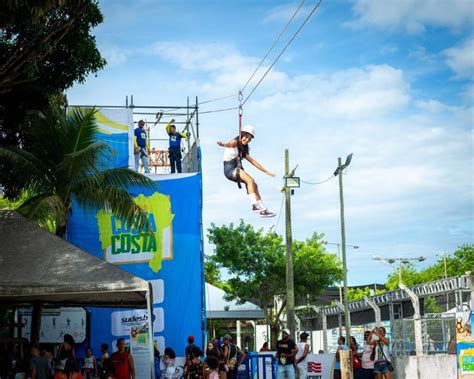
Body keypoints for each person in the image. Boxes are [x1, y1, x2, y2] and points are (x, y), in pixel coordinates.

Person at [217, 125, 276, 218]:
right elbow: (230, 144)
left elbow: (253, 161)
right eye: (246, 137)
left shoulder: (243, 149)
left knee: (254, 184)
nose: (247, 140)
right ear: (242, 135)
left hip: (236, 168)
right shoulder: (236, 141)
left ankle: (262, 209)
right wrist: (224, 144)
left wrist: (266, 171)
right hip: (229, 168)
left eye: (249, 139)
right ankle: (255, 205)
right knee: (250, 180)